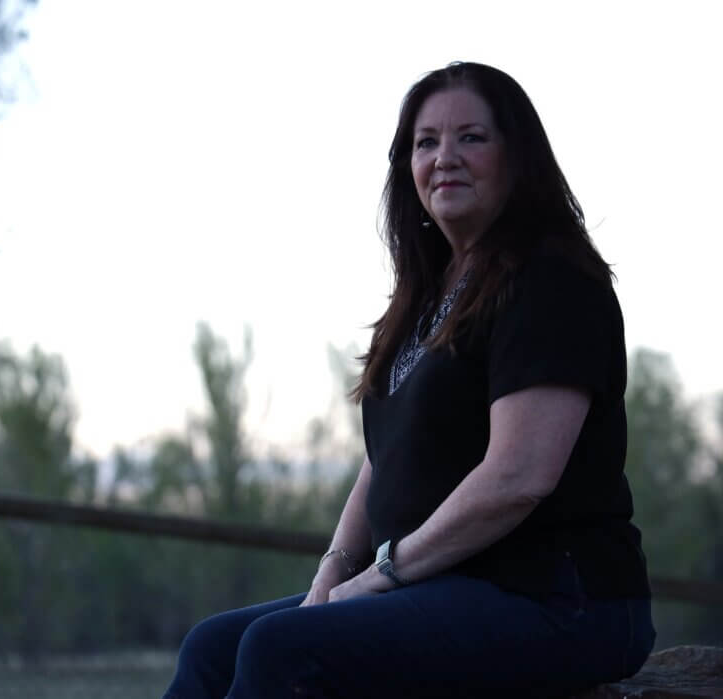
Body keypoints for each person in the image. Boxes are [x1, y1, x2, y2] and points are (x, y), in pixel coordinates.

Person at [162, 62, 655, 698]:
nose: (445, 157)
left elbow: (518, 478)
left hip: (561, 598)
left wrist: (381, 576)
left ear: (518, 157)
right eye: (426, 143)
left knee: (282, 650)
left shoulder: (551, 279)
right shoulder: (427, 297)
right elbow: (383, 461)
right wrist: (332, 574)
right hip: (447, 583)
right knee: (214, 647)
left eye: (471, 137)